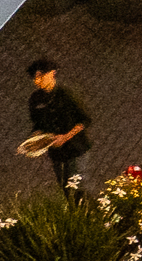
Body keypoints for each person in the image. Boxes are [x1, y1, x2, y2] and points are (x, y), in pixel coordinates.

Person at [22, 56, 95, 188]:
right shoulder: (35, 99)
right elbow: (38, 124)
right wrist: (34, 141)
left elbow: (85, 120)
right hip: (56, 153)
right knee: (64, 186)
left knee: (80, 186)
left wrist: (65, 137)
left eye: (41, 76)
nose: (37, 81)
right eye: (35, 78)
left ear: (52, 73)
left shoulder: (67, 93)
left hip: (76, 148)